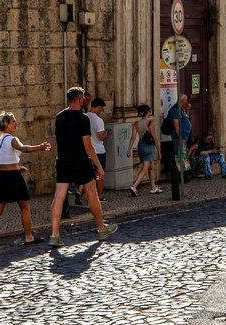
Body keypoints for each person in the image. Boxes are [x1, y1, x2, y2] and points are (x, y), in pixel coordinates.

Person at [49, 87, 116, 247]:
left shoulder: (59, 117)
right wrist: (99, 166)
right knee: (92, 193)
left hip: (63, 160)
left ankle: (54, 234)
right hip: (80, 160)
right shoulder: (82, 118)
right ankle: (101, 228)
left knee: (59, 196)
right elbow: (88, 146)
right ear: (80, 100)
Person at [0, 112, 51, 251]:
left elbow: (6, 157)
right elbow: (24, 149)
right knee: (25, 207)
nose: (16, 123)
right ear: (6, 124)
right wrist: (40, 147)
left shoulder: (1, 140)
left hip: (3, 176)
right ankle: (29, 236)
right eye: (13, 121)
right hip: (13, 178)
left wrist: (18, 166)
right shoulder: (12, 139)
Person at [129, 104, 161, 196]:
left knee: (151, 167)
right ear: (148, 112)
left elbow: (133, 137)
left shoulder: (136, 123)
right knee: (145, 168)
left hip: (140, 146)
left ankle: (153, 187)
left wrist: (129, 149)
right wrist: (159, 151)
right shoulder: (150, 123)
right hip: (149, 147)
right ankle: (134, 186)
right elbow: (154, 138)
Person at [161, 93, 191, 183]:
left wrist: (188, 110)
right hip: (178, 138)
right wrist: (180, 137)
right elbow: (176, 125)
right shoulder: (175, 111)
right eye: (186, 101)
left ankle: (184, 175)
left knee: (182, 155)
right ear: (183, 101)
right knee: (179, 155)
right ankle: (180, 176)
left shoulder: (180, 110)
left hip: (182, 137)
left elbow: (186, 119)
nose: (187, 102)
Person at [87, 96, 108, 197]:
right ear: (99, 107)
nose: (101, 111)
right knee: (99, 174)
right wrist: (106, 134)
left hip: (87, 150)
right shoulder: (98, 120)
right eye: (101, 108)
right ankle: (100, 196)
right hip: (98, 150)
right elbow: (101, 137)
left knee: (88, 175)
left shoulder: (85, 116)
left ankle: (85, 194)